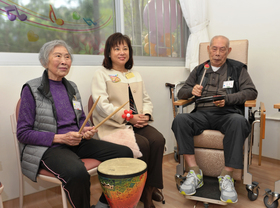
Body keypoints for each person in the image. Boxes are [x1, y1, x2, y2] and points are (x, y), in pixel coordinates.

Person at [17, 40, 133, 208]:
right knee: (77, 172)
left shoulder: (72, 87)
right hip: (49, 148)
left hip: (76, 141)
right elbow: (23, 133)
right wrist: (60, 138)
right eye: (58, 56)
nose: (64, 61)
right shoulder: (31, 89)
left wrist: (85, 129)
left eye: (67, 57)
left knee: (125, 153)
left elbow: (80, 119)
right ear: (44, 61)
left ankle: (102, 204)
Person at [172, 35, 258, 203]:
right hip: (202, 114)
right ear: (208, 49)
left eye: (222, 49)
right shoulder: (199, 70)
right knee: (180, 120)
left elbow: (251, 92)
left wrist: (228, 99)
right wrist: (191, 91)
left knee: (239, 122)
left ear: (229, 51)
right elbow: (181, 93)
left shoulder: (237, 69)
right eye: (214, 48)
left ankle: (226, 177)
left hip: (227, 114)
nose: (217, 53)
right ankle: (194, 172)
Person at [91, 32, 165, 208]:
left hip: (136, 122)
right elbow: (101, 104)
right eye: (117, 48)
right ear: (109, 53)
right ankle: (142, 191)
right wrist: (129, 117)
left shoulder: (135, 74)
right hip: (114, 125)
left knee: (157, 140)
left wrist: (145, 115)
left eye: (125, 48)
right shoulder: (102, 74)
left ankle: (148, 188)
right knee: (143, 145)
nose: (121, 52)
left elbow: (146, 99)